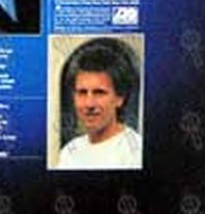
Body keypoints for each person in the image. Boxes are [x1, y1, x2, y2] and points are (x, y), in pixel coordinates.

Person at [57, 37, 142, 169]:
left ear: (120, 98)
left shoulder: (135, 152)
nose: (89, 104)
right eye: (82, 92)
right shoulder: (69, 152)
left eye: (99, 92)